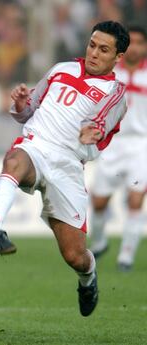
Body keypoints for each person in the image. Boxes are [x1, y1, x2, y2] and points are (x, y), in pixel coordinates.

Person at [0, 21, 129, 317]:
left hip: (67, 166)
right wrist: (22, 104)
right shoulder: (61, 69)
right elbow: (28, 111)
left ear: (118, 57)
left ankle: (88, 279)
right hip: (35, 145)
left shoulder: (115, 92)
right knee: (13, 161)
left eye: (104, 49)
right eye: (92, 45)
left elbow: (102, 123)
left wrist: (94, 132)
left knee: (75, 256)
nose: (94, 53)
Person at [89, 25, 147, 271]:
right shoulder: (109, 73)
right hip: (113, 142)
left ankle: (126, 255)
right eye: (130, 42)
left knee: (136, 199)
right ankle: (100, 241)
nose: (134, 47)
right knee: (99, 202)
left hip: (142, 143)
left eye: (139, 42)